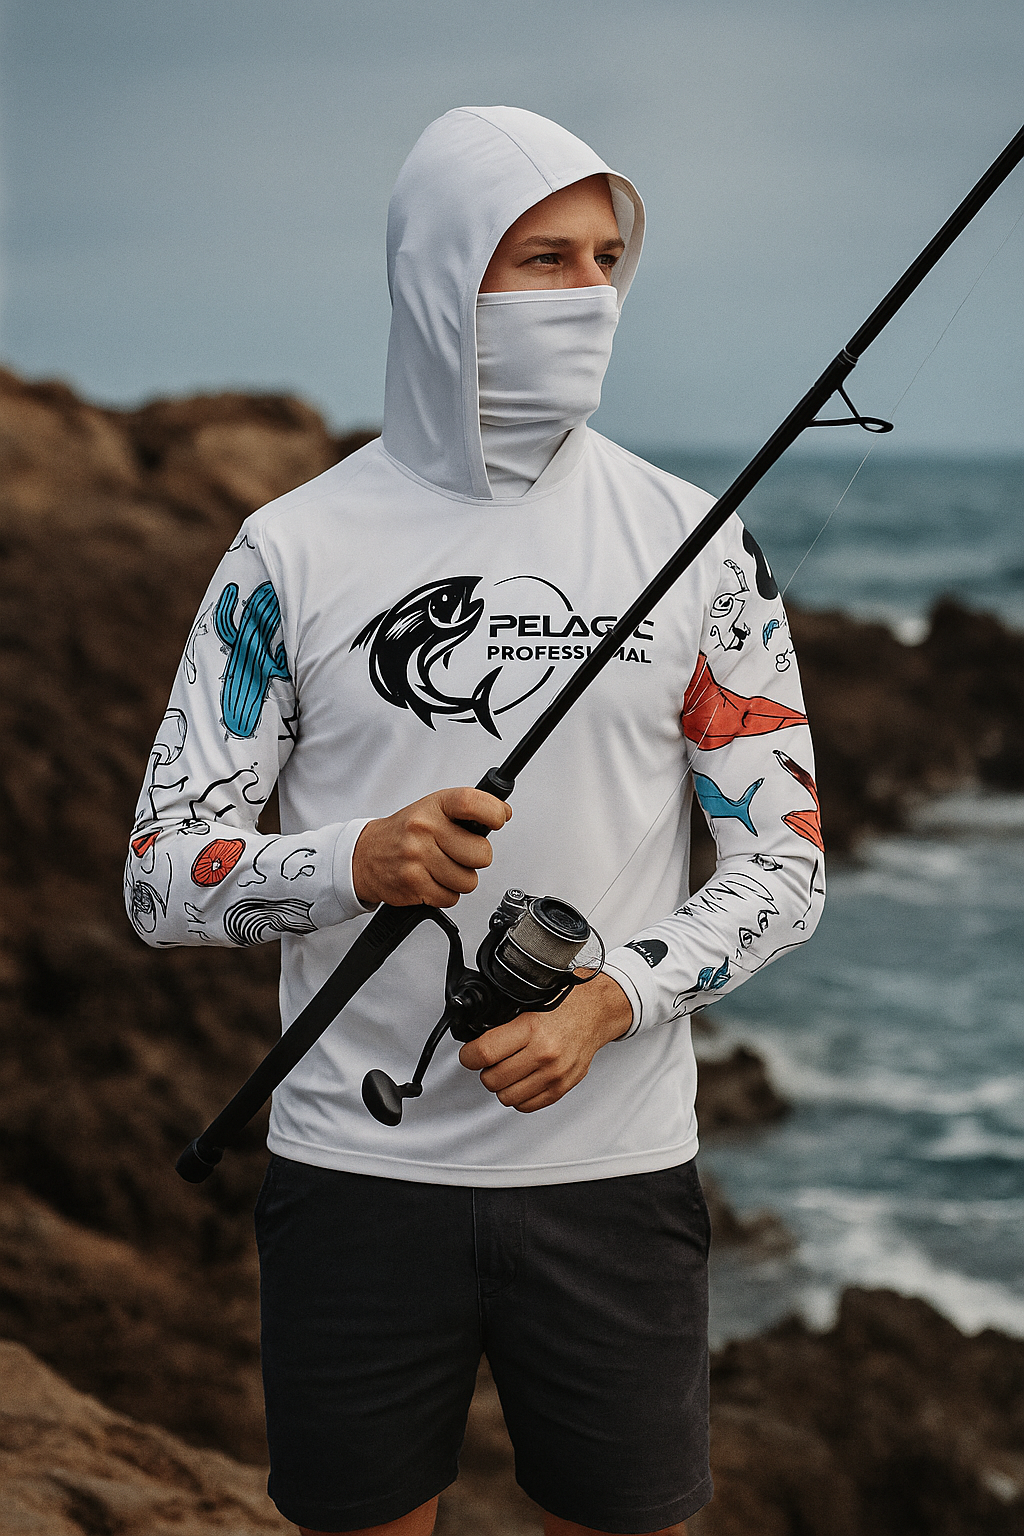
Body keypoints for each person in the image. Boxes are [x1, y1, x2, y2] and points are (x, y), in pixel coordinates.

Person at [127, 106, 825, 1536]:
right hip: (354, 1177)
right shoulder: (289, 551)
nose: (588, 295)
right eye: (542, 259)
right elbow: (159, 876)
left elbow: (786, 863)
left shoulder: (701, 545)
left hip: (616, 1178)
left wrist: (608, 1002)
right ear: (443, 275)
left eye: (607, 261)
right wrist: (355, 859)